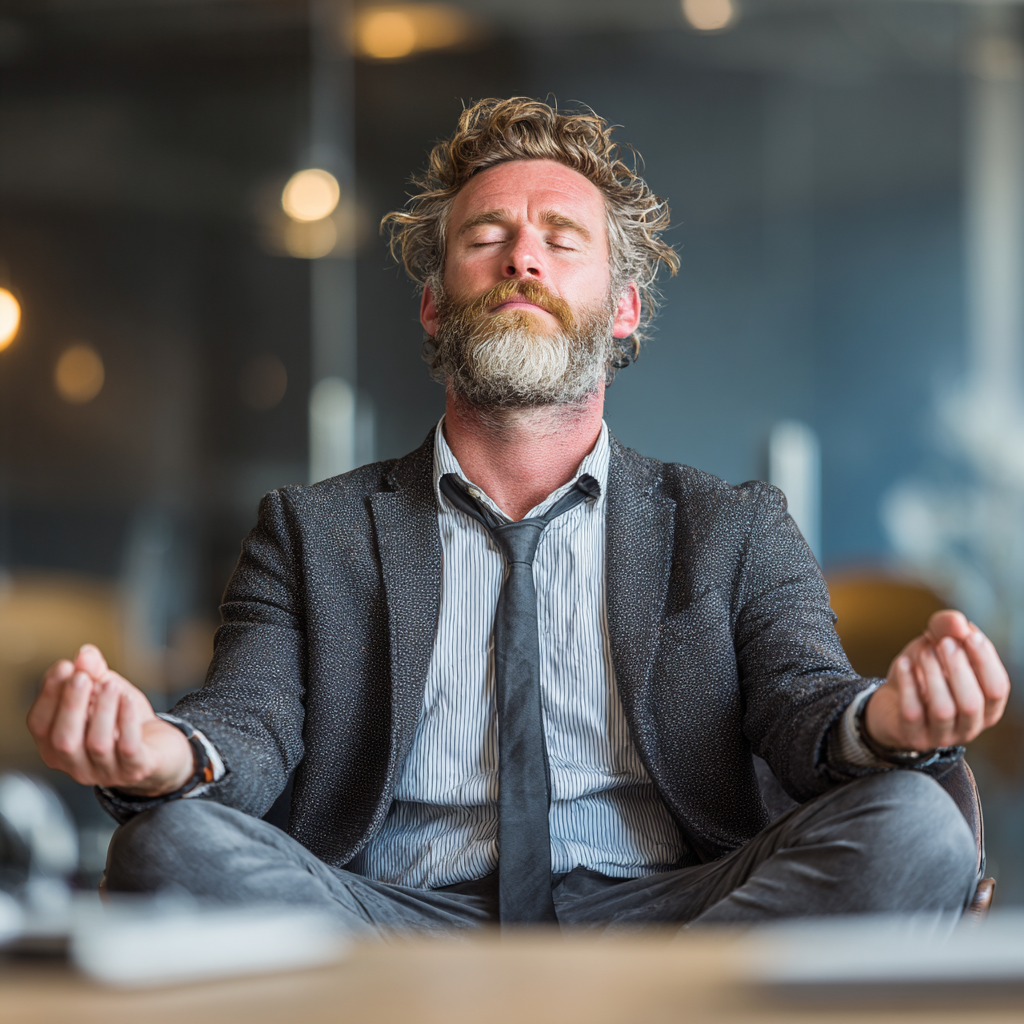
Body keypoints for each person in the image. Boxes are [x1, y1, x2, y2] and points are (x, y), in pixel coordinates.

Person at [28, 98, 1010, 934]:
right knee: (171, 843)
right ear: (431, 303)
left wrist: (884, 724)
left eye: (559, 238)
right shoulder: (310, 530)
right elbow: (248, 724)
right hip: (390, 920)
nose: (521, 261)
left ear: (621, 309)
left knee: (915, 825)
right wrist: (162, 751)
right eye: (485, 237)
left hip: (676, 916)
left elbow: (806, 704)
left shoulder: (732, 525)